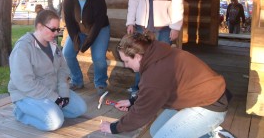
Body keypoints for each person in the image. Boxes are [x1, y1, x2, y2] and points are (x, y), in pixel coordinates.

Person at [100, 32, 234, 138]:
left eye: (126, 61)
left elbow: (141, 115)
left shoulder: (155, 73)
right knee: (155, 130)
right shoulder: (155, 51)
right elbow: (155, 92)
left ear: (138, 57)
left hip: (211, 106)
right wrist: (132, 101)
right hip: (196, 98)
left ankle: (214, 135)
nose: (125, 65)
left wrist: (114, 128)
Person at [8, 10, 87, 131]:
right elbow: (24, 82)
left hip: (51, 89)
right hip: (26, 94)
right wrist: (54, 98)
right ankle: (21, 112)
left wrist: (64, 93)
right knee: (54, 123)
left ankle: (50, 109)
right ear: (39, 26)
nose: (56, 33)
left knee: (80, 109)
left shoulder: (53, 45)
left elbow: (63, 70)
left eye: (58, 30)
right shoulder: (23, 48)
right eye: (53, 29)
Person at [126, 0, 184, 94]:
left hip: (164, 27)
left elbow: (178, 1)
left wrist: (176, 27)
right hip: (142, 26)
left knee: (161, 60)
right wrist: (130, 22)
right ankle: (139, 89)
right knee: (140, 58)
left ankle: (159, 91)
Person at [62, 0, 110, 96]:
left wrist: (87, 43)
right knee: (67, 53)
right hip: (79, 30)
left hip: (99, 30)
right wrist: (76, 40)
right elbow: (70, 23)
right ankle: (77, 80)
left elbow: (98, 23)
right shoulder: (68, 0)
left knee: (98, 58)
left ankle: (100, 83)